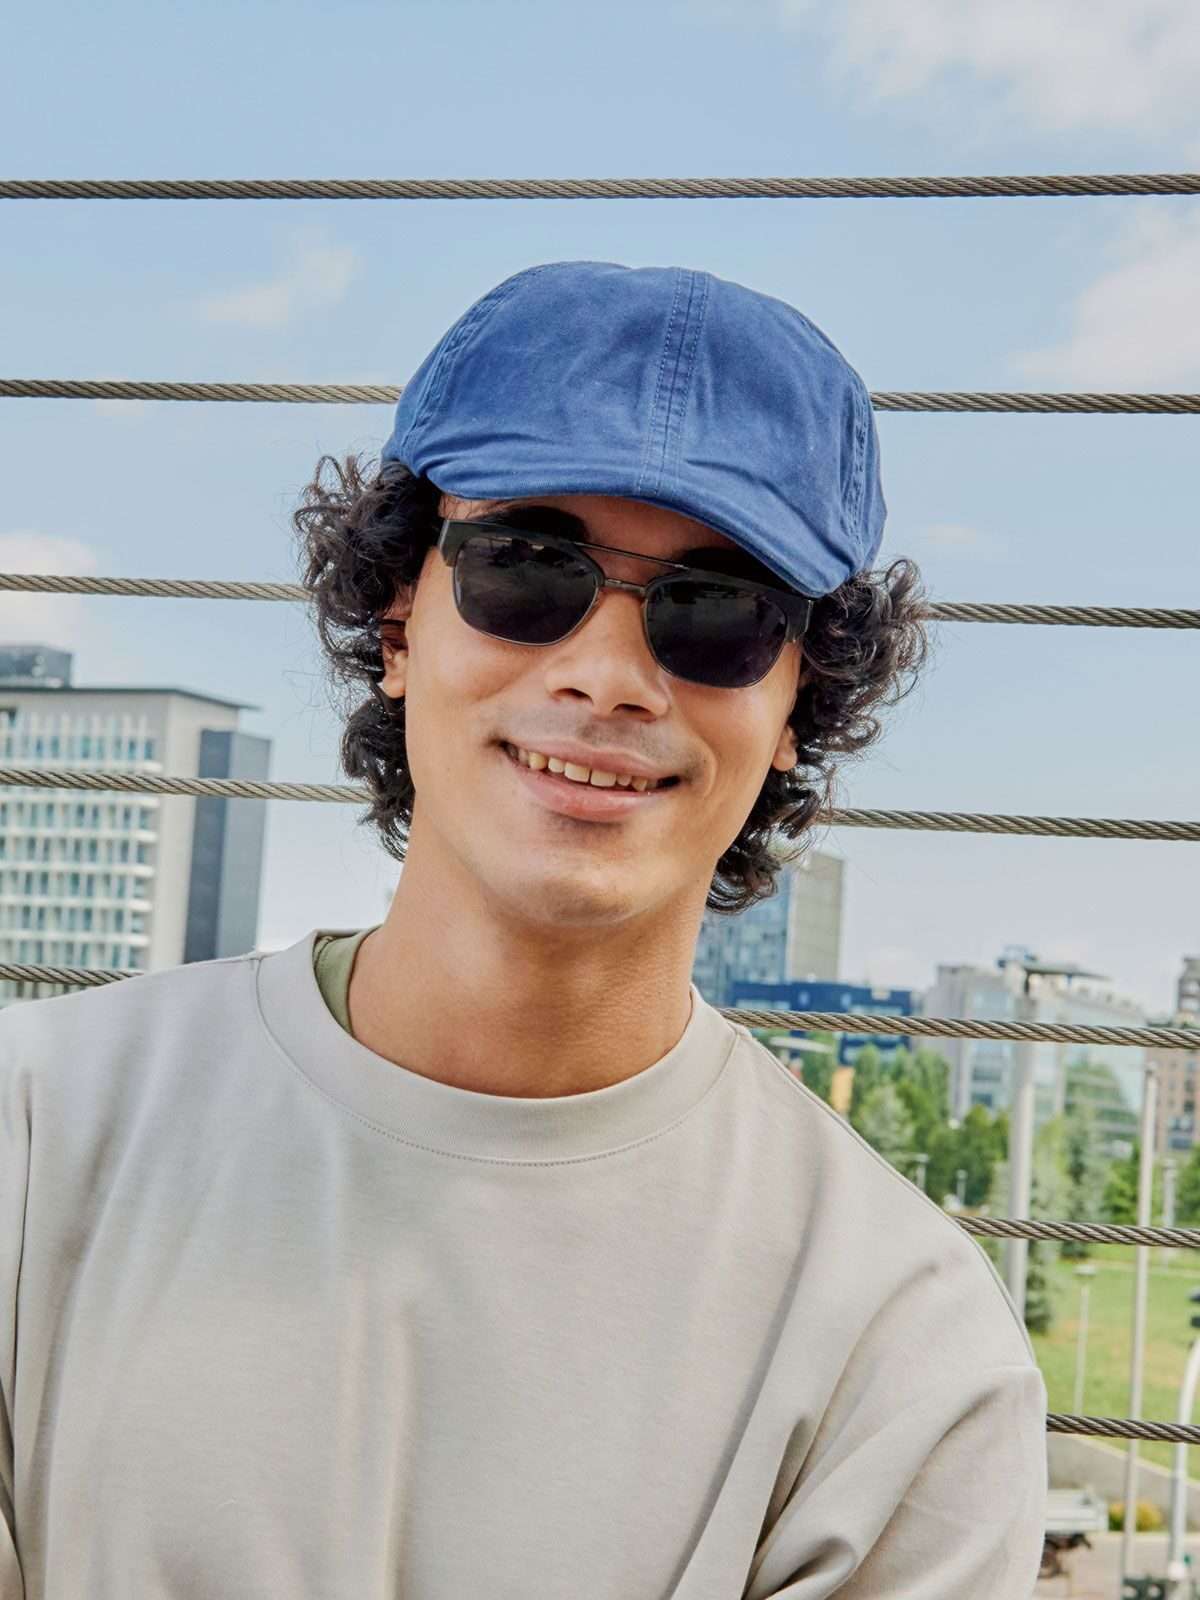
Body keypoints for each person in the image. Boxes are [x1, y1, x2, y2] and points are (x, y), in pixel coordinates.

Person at [0, 260, 1047, 1597]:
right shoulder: (33, 1138)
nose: (606, 677)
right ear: (398, 621)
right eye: (526, 567)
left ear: (800, 702)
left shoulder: (905, 1354)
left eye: (718, 608)